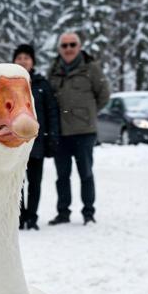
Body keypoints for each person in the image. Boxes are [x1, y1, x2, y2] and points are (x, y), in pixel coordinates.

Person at [47, 31, 110, 225]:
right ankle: (63, 212)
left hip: (84, 133)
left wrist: (87, 114)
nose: (68, 49)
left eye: (72, 45)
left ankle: (88, 213)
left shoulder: (91, 68)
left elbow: (104, 95)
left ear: (79, 46)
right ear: (59, 49)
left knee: (86, 174)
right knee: (62, 176)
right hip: (61, 133)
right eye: (64, 45)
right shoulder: (54, 70)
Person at [12, 44, 59, 230]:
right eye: (19, 57)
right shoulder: (9, 83)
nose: (23, 61)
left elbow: (51, 112)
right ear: (14, 61)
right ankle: (19, 216)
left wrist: (52, 137)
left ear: (32, 62)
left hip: (37, 142)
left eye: (26, 58)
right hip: (15, 143)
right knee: (17, 183)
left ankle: (32, 216)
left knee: (35, 182)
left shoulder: (42, 84)